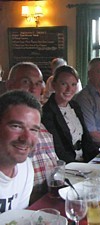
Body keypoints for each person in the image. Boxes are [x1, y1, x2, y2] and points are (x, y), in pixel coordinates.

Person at [6, 62, 58, 202]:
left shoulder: (40, 118)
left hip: (51, 194)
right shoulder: (5, 122)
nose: (33, 88)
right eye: (25, 82)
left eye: (38, 83)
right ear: (9, 85)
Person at [42, 65, 99, 163]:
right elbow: (58, 149)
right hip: (68, 166)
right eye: (64, 84)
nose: (69, 89)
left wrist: (98, 159)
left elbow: (86, 139)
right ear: (54, 85)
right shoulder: (47, 112)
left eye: (73, 84)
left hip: (84, 161)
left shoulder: (74, 106)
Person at [0, 90, 42, 213]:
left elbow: (17, 219)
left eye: (33, 130)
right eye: (16, 126)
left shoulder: (26, 168)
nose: (27, 138)